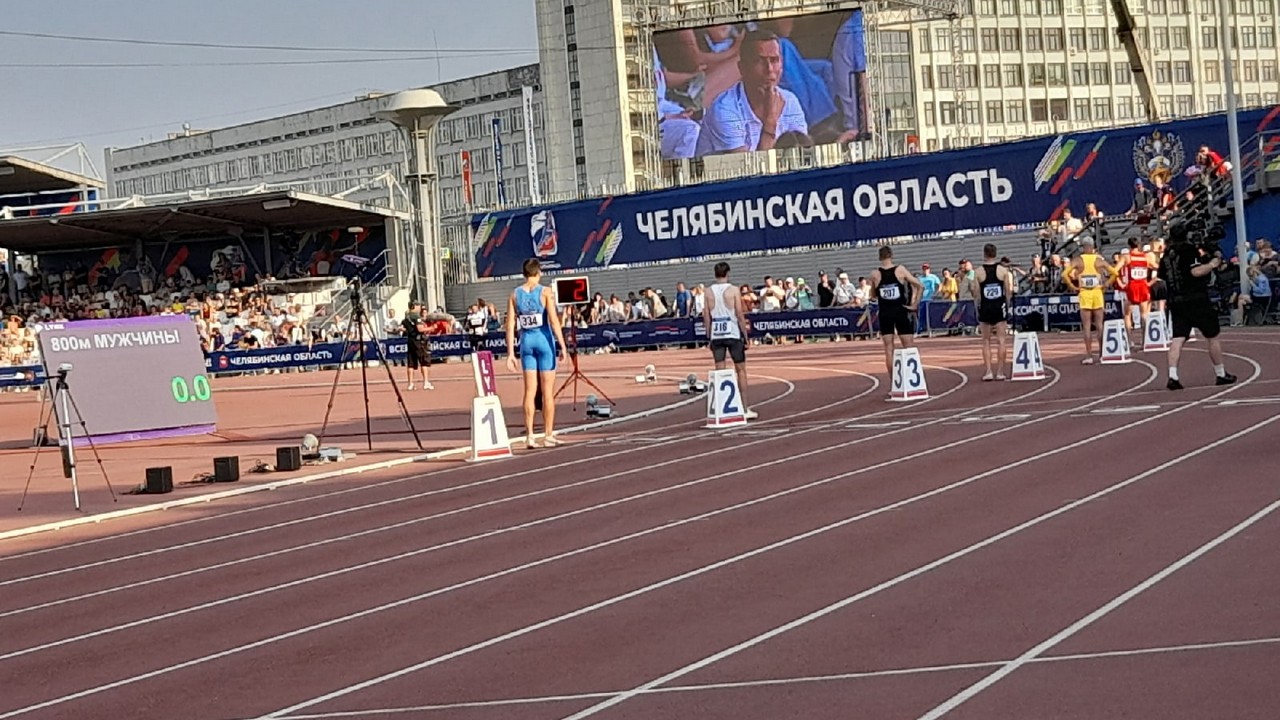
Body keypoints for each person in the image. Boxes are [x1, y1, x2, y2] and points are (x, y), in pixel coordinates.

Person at [694, 29, 809, 156]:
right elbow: (752, 173)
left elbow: (802, 156)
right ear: (742, 68)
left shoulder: (790, 101)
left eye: (774, 60)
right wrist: (770, 122)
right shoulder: (724, 111)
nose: (769, 69)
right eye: (759, 61)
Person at [1159, 223, 1237, 389]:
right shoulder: (1188, 251)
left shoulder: (1166, 255)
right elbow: (1196, 271)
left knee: (1178, 338)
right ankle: (1221, 373)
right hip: (1196, 299)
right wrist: (1212, 264)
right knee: (1212, 335)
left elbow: (1162, 276)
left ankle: (1173, 375)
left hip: (1176, 301)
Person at [504, 259, 568, 446]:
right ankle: (548, 435)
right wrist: (562, 345)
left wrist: (510, 353)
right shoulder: (546, 292)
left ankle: (530, 435)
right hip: (544, 341)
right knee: (547, 392)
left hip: (526, 343)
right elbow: (554, 321)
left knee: (529, 391)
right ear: (538, 272)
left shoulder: (515, 295)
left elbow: (510, 325)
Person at [703, 261, 757, 420]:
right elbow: (740, 314)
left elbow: (706, 315)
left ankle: (722, 410)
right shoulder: (734, 290)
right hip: (733, 333)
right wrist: (745, 336)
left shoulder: (707, 292)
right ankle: (744, 408)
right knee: (740, 370)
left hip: (717, 336)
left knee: (720, 371)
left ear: (715, 274)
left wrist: (708, 336)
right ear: (728, 274)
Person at [870, 245, 924, 388]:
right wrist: (915, 304)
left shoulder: (875, 274)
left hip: (885, 313)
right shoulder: (900, 270)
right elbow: (920, 285)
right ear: (891, 255)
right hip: (900, 311)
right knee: (909, 346)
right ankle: (914, 382)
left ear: (880, 257)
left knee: (889, 348)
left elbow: (873, 295)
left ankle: (895, 383)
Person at [1063, 238, 1114, 364]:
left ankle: (1089, 355)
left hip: (1085, 293)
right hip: (1097, 292)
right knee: (1099, 325)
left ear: (1083, 247)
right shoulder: (1099, 260)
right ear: (1092, 247)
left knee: (1086, 326)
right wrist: (1107, 283)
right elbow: (1115, 272)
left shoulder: (1078, 260)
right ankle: (1103, 354)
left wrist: (1072, 286)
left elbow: (1064, 274)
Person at [971, 243, 1016, 381]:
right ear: (995, 254)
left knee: (985, 341)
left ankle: (989, 371)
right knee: (1001, 340)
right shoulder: (1003, 271)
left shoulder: (978, 272)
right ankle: (1001, 371)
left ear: (984, 254)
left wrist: (977, 307)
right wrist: (1007, 303)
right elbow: (1008, 290)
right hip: (999, 306)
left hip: (985, 307)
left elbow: (976, 293)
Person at [1117, 237, 1156, 337]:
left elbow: (1114, 270)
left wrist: (1120, 283)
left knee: (1127, 314)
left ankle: (1130, 341)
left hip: (1132, 286)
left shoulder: (1126, 257)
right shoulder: (1145, 257)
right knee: (1144, 314)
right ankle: (1145, 340)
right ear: (1139, 245)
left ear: (1129, 245)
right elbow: (1157, 267)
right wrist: (1151, 281)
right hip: (1143, 285)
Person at [400, 301, 434, 390]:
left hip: (410, 341)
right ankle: (426, 382)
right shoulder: (416, 316)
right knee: (424, 361)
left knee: (411, 363)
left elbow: (403, 328)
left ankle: (410, 383)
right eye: (418, 305)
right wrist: (431, 328)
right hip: (418, 341)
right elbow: (420, 329)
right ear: (414, 306)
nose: (420, 308)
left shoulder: (406, 317)